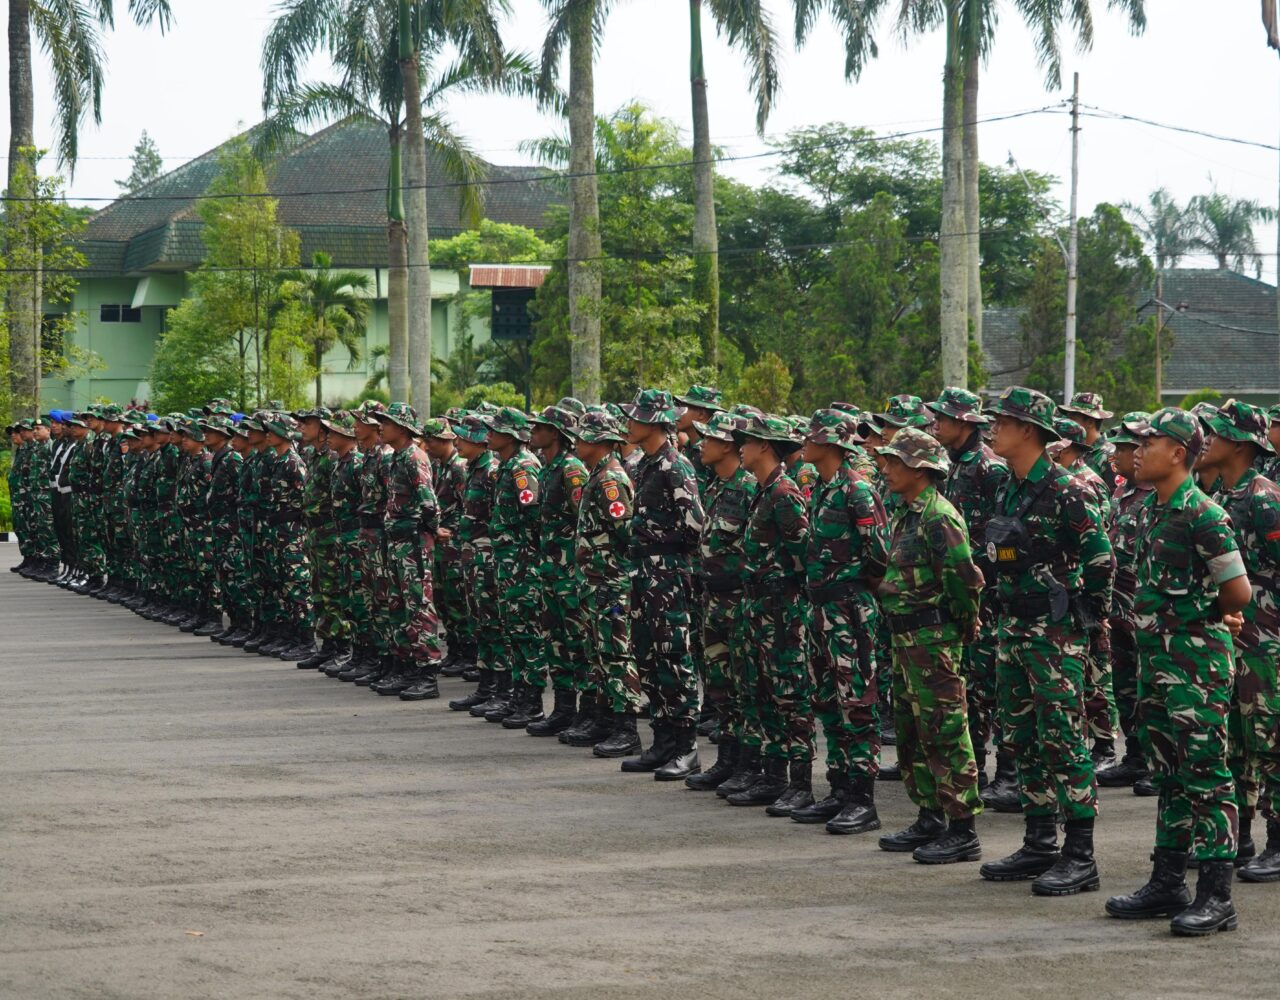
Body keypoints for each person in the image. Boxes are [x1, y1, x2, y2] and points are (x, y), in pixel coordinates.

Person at [1105, 407, 1250, 936]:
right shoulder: (1151, 509)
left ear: (1178, 452)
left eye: (1150, 442)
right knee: (1169, 774)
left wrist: (1201, 617)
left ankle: (1217, 896)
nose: (1139, 450)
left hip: (1195, 666)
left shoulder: (1203, 514)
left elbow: (1238, 592)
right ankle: (1168, 881)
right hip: (1157, 662)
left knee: (1206, 774)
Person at [979, 386, 1113, 897]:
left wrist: (1085, 617)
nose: (994, 429)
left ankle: (1080, 854)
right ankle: (1039, 842)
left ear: (1028, 431)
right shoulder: (1008, 487)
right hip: (1013, 628)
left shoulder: (1067, 490)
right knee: (1023, 737)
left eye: (1003, 422)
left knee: (1061, 736)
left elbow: (1100, 558)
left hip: (1055, 634)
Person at [874, 427, 985, 863]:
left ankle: (962, 828)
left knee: (945, 729)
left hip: (932, 638)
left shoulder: (939, 517)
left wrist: (961, 628)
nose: (886, 469)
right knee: (912, 731)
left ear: (920, 469)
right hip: (905, 638)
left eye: (895, 462)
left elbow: (964, 581)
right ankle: (929, 815)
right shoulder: (907, 514)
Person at [787, 409, 889, 833]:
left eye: (811, 437)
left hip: (849, 610)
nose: (804, 443)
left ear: (831, 444)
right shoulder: (823, 489)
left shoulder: (857, 491)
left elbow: (878, 554)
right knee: (827, 701)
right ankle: (840, 788)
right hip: (821, 610)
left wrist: (855, 593)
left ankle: (863, 799)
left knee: (856, 702)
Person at [1193, 400, 1280, 884]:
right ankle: (1239, 836)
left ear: (1243, 444)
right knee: (1236, 742)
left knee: (1272, 738)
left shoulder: (1263, 497)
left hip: (1268, 641)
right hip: (1235, 638)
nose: (1207, 439)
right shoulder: (1222, 496)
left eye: (1218, 432)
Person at [726, 412, 813, 811]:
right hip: (756, 605)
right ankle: (773, 775)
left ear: (764, 446)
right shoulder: (763, 491)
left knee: (789, 695)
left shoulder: (783, 493)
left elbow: (805, 554)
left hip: (781, 610)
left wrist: (787, 594)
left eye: (745, 441)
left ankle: (801, 782)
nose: (740, 448)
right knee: (760, 691)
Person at [926, 387, 1009, 797]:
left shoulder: (990, 468)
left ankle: (1009, 773)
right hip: (960, 593)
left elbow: (1008, 535)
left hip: (988, 595)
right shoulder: (953, 465)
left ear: (963, 422)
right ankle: (974, 769)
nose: (935, 424)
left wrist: (986, 572)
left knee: (994, 684)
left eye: (942, 418)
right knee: (968, 687)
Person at [619, 389, 705, 778]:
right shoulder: (645, 465)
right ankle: (663, 741)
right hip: (643, 572)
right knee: (648, 657)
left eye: (636, 418)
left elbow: (694, 525)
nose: (629, 423)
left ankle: (686, 747)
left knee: (673, 657)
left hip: (667, 574)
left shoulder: (675, 466)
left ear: (654, 423)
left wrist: (661, 547)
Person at [684, 409, 757, 790]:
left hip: (739, 601)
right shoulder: (716, 486)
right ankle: (727, 759)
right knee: (719, 686)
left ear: (729, 446)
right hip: (712, 599)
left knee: (744, 687)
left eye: (709, 439)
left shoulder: (748, 489)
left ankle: (749, 764)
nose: (702, 445)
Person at [569, 410, 645, 757]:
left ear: (599, 441)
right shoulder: (597, 475)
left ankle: (626, 728)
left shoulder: (611, 479)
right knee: (598, 653)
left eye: (583, 437)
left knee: (616, 653)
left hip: (610, 583)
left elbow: (626, 532)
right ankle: (604, 719)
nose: (577, 442)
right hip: (594, 582)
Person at [1052, 415, 1120, 772]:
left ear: (1069, 448)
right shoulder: (1057, 480)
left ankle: (1105, 745)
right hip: (1065, 593)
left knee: (1096, 672)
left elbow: (1098, 544)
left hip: (1084, 591)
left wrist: (1098, 605)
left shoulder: (1084, 483)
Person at [1096, 413, 1156, 793]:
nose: (1115, 455)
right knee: (1124, 686)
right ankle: (1135, 756)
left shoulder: (1155, 497)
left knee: (1150, 686)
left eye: (1124, 448)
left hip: (1142, 610)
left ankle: (1155, 761)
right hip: (1117, 608)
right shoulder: (1122, 493)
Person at [478, 407, 546, 728]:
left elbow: (534, 517)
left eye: (496, 429)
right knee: (512, 630)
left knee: (526, 631)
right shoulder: (506, 466)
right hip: (508, 561)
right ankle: (518, 696)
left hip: (523, 562)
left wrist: (527, 556)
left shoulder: (523, 467)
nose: (489, 434)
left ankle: (532, 702)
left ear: (511, 435)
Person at [370, 403, 443, 698]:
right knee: (398, 606)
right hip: (397, 542)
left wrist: (429, 530)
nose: (381, 427)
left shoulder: (414, 457)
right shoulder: (396, 457)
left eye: (386, 423)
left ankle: (427, 674)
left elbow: (429, 504)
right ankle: (406, 668)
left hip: (413, 543)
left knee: (418, 607)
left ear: (401, 428)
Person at [526, 405, 590, 735]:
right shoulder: (548, 468)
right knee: (555, 640)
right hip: (550, 568)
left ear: (555, 433)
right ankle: (564, 708)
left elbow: (584, 518)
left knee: (578, 641)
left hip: (568, 570)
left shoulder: (571, 469)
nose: (533, 432)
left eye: (540, 428)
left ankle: (588, 711)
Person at [421, 417, 472, 681]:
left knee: (458, 601)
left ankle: (468, 654)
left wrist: (452, 532)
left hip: (455, 546)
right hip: (441, 546)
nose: (427, 445)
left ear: (445, 440)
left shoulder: (459, 468)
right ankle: (455, 650)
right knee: (443, 601)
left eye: (431, 440)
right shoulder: (439, 466)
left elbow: (468, 508)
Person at [1059, 391, 1118, 492]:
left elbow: (1115, 496)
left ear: (1090, 422)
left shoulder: (1109, 455)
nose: (1067, 422)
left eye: (1072, 418)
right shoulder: (1069, 449)